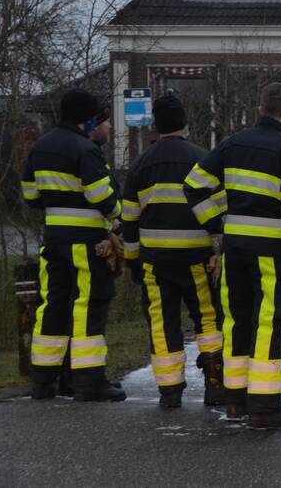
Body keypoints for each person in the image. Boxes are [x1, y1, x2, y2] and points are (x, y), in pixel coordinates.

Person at [183, 83, 281, 430]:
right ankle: (265, 407)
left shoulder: (231, 144)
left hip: (235, 250)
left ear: (258, 111)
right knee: (267, 324)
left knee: (235, 321)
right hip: (272, 253)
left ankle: (235, 401)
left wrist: (217, 227)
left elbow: (192, 186)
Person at [20, 87, 126, 402]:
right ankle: (89, 381)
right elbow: (101, 196)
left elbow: (30, 195)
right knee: (88, 305)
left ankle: (44, 380)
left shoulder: (40, 146)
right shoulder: (85, 149)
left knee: (53, 304)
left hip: (52, 238)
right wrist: (117, 212)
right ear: (88, 118)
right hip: (86, 241)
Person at [120, 94, 225, 409]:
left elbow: (129, 219)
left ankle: (169, 391)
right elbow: (219, 212)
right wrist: (217, 250)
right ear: (185, 123)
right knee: (207, 318)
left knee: (162, 322)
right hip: (197, 258)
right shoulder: (203, 159)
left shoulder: (139, 165)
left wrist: (132, 261)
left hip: (155, 261)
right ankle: (215, 385)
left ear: (155, 125)